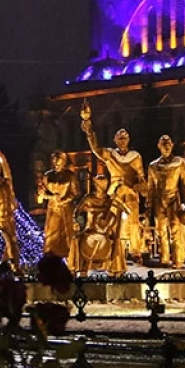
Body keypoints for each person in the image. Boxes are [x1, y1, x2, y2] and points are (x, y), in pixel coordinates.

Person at [80, 101, 146, 258]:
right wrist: (89, 131)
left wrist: (142, 185)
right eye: (119, 138)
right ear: (115, 140)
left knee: (133, 221)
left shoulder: (135, 157)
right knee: (111, 220)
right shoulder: (110, 154)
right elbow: (96, 150)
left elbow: (141, 176)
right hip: (114, 192)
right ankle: (111, 249)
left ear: (128, 140)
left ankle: (135, 251)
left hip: (130, 192)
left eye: (124, 138)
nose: (122, 141)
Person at [147, 134, 185, 267]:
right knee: (160, 231)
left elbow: (184, 183)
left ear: (172, 145)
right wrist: (149, 206)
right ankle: (164, 259)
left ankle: (178, 260)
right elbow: (151, 188)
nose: (166, 147)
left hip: (174, 198)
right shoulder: (153, 166)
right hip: (159, 200)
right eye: (163, 144)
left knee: (175, 228)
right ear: (159, 147)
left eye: (168, 144)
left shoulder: (179, 162)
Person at [74, 174, 128, 276]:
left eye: (105, 185)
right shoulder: (88, 198)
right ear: (96, 185)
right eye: (100, 184)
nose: (103, 187)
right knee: (75, 240)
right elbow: (76, 212)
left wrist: (118, 200)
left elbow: (127, 210)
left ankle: (115, 269)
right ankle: (78, 268)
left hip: (106, 231)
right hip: (89, 229)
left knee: (117, 241)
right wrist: (76, 222)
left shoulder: (109, 199)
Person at [37, 150, 80, 267]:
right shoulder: (48, 176)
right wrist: (49, 196)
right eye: (54, 161)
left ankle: (71, 261)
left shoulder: (70, 175)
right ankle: (50, 257)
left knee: (67, 233)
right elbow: (42, 192)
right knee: (52, 233)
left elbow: (76, 192)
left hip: (66, 208)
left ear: (64, 161)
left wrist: (65, 200)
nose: (56, 163)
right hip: (53, 209)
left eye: (58, 160)